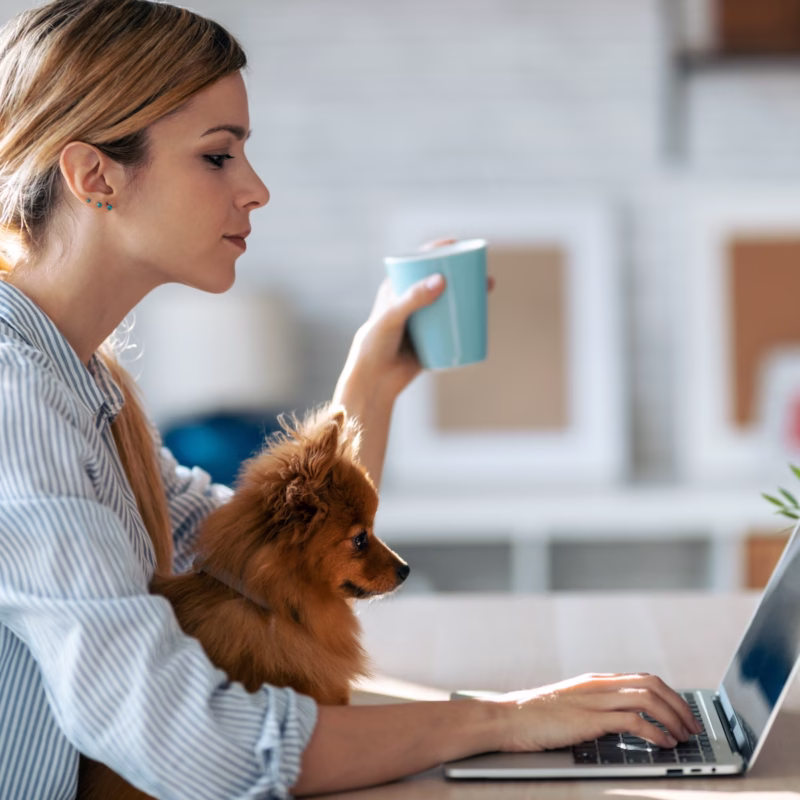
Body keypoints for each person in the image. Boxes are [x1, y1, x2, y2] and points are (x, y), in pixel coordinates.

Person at [0, 1, 702, 798]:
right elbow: (195, 746)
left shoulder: (79, 381)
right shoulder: (15, 401)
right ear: (97, 177)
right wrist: (504, 721)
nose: (256, 190)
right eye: (218, 156)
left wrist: (373, 380)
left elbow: (248, 555)